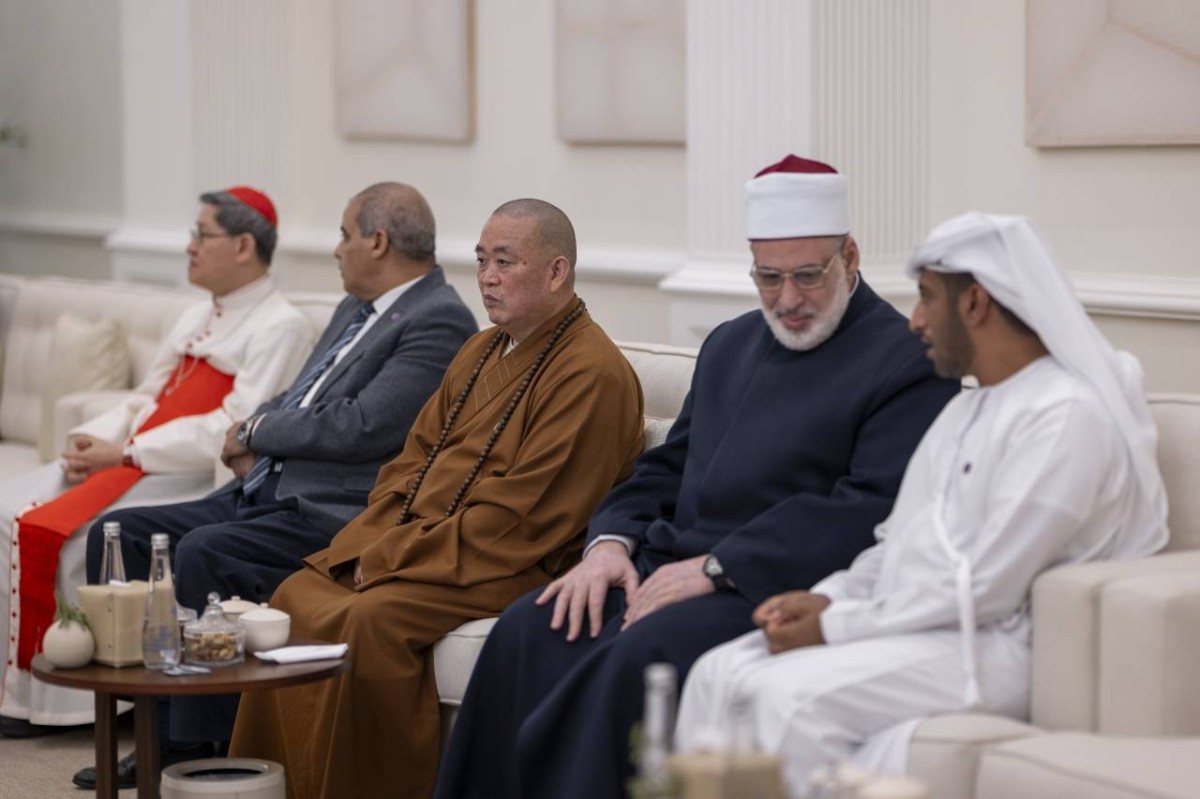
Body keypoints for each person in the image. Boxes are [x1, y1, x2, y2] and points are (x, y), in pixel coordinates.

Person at [434, 156, 961, 799]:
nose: (788, 300)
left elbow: (868, 508)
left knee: (634, 662)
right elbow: (663, 468)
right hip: (660, 569)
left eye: (806, 276)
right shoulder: (730, 343)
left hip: (767, 586)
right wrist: (608, 547)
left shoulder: (905, 359)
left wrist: (718, 568)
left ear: (848, 257)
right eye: (768, 278)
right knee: (526, 630)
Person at [675, 212, 1169, 796]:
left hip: (992, 646)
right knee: (716, 672)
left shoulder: (1065, 414)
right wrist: (829, 596)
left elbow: (985, 589)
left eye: (928, 298)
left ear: (976, 303)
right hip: (914, 625)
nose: (914, 321)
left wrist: (835, 625)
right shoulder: (967, 408)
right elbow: (897, 543)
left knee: (786, 697)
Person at [227, 198, 645, 799]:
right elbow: (410, 462)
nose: (487, 278)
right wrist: (374, 542)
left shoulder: (592, 372)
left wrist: (395, 556)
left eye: (505, 263)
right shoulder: (480, 351)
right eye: (481, 261)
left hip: (507, 561)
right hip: (420, 545)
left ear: (557, 272)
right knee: (295, 594)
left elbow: (528, 515)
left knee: (369, 621)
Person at [70, 181, 478, 790]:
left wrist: (256, 430)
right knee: (119, 532)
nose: (335, 249)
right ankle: (151, 723)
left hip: (331, 513)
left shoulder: (439, 319)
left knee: (204, 551)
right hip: (262, 489)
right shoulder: (356, 306)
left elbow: (363, 425)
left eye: (343, 235)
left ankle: (199, 749)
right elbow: (299, 395)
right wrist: (251, 432)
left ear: (377, 241)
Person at [0, 186, 314, 738]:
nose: (190, 246)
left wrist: (126, 452)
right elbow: (146, 397)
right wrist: (95, 439)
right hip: (132, 456)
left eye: (202, 234)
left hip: (184, 471)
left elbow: (233, 427)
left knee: (67, 533)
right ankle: (18, 691)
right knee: (7, 507)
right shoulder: (197, 313)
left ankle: (61, 704)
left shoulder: (280, 324)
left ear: (244, 245)